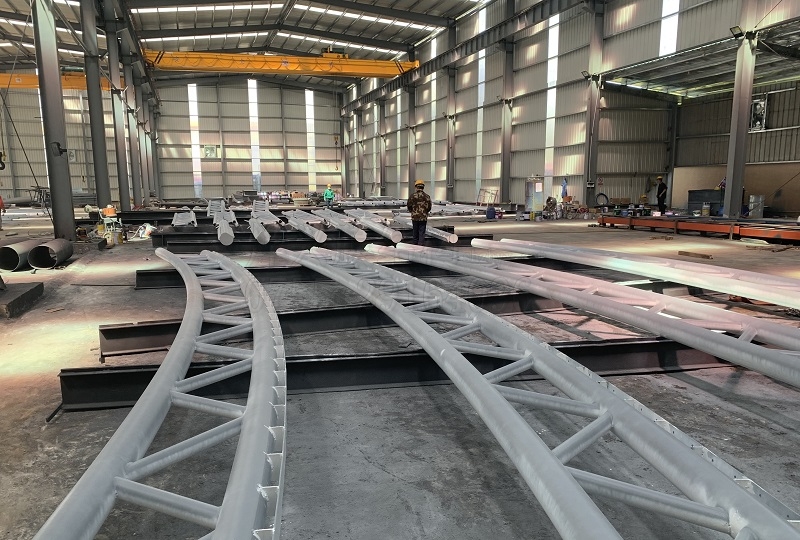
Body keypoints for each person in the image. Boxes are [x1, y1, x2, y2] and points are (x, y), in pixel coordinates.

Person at [407, 179, 432, 245]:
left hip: (415, 217)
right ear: (423, 187)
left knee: (415, 233)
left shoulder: (412, 196)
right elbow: (429, 207)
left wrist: (413, 212)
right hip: (423, 218)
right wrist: (425, 212)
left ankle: (415, 246)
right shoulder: (427, 196)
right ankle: (421, 247)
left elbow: (409, 206)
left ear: (416, 187)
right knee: (421, 233)